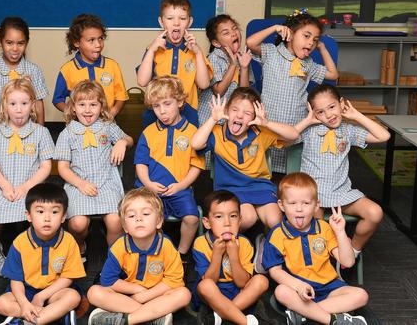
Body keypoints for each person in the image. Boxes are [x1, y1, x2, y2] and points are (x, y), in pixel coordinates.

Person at [295, 84, 388, 263]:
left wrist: (356, 115)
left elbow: (383, 136)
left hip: (341, 194)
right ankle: (322, 262)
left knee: (375, 212)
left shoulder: (349, 131)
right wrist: (307, 121)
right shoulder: (309, 131)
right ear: (313, 113)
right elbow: (283, 139)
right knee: (317, 226)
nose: (329, 115)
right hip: (315, 196)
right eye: (320, 112)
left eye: (332, 107)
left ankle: (352, 251)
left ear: (341, 103)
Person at [263, 172, 369, 325]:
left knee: (361, 295)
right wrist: (299, 286)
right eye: (292, 203)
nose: (299, 209)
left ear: (316, 205)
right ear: (281, 206)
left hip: (330, 288)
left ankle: (304, 314)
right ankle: (331, 320)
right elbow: (275, 271)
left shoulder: (324, 228)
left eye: (306, 203)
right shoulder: (277, 234)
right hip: (298, 289)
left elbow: (348, 261)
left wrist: (339, 232)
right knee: (281, 292)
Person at [191, 87, 299, 232]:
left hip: (261, 186)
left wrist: (266, 123)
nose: (240, 116)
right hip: (230, 189)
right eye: (235, 110)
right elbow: (195, 143)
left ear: (254, 117)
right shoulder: (217, 133)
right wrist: (213, 119)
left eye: (247, 113)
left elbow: (293, 135)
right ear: (227, 110)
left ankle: (266, 247)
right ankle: (233, 246)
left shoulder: (260, 132)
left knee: (275, 220)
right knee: (247, 218)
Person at [245, 9, 338, 174]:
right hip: (269, 123)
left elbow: (333, 74)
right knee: (265, 169)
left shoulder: (308, 64)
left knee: (293, 172)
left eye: (315, 40)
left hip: (296, 125)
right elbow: (251, 43)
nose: (311, 43)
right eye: (306, 36)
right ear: (291, 34)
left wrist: (322, 48)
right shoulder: (271, 52)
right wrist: (274, 27)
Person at [0, 79, 54, 275]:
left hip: (32, 188)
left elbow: (46, 166)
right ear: (4, 105)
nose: (18, 110)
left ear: (32, 105)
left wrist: (26, 187)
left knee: (41, 219)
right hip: (2, 187)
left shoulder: (41, 133)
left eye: (24, 103)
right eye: (13, 104)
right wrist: (5, 186)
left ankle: (35, 254)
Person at [87, 187, 191, 325]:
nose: (139, 219)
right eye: (131, 216)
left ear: (159, 221)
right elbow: (108, 280)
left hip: (156, 295)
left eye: (146, 214)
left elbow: (174, 281)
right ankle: (153, 317)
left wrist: (146, 295)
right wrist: (138, 290)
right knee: (94, 292)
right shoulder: (119, 247)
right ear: (124, 226)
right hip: (127, 297)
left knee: (184, 294)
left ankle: (127, 320)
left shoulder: (166, 246)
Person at [55, 81, 133, 265]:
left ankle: (114, 255)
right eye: (82, 105)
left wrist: (122, 142)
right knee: (78, 224)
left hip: (106, 183)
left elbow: (128, 139)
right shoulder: (67, 133)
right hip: (78, 184)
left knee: (115, 221)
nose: (88, 110)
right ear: (73, 108)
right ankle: (81, 244)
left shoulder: (107, 126)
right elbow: (62, 168)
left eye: (93, 104)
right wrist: (80, 183)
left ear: (101, 106)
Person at [134, 76, 204, 261]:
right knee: (146, 219)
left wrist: (181, 186)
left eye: (167, 104)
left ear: (180, 101)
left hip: (179, 189)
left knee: (192, 219)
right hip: (149, 190)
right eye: (157, 106)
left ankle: (181, 256)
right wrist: (148, 184)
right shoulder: (148, 132)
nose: (162, 111)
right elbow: (140, 163)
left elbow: (196, 166)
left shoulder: (193, 132)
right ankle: (153, 254)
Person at [0, 183, 85, 325]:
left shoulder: (69, 241)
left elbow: (68, 278)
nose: (47, 218)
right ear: (29, 215)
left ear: (63, 217)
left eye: (55, 212)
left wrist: (42, 296)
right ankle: (50, 316)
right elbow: (16, 281)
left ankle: (27, 321)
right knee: (1, 303)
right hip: (27, 290)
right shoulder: (20, 242)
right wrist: (24, 303)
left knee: (73, 297)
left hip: (54, 292)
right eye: (40, 212)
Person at [192, 190, 268, 325]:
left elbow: (242, 283)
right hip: (213, 294)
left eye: (233, 216)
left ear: (239, 221)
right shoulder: (200, 243)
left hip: (237, 292)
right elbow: (210, 280)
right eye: (219, 217)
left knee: (262, 281)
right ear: (207, 222)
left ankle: (223, 315)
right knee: (205, 286)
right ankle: (244, 321)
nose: (227, 222)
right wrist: (216, 255)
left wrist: (234, 255)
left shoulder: (244, 243)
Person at [136, 0, 213, 127]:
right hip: (157, 111)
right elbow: (142, 81)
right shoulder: (154, 50)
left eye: (182, 18)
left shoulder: (195, 51)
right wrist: (152, 50)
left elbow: (204, 84)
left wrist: (198, 53)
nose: (176, 23)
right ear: (161, 22)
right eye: (170, 18)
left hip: (187, 111)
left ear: (189, 22)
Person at [199, 14, 252, 170]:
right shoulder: (214, 58)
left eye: (235, 29)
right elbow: (218, 91)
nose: (234, 33)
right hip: (210, 117)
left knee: (223, 159)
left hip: (228, 118)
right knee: (207, 159)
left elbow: (244, 92)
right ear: (216, 42)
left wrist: (243, 67)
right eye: (226, 32)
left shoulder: (243, 58)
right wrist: (233, 65)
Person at [53, 14, 128, 118]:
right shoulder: (67, 69)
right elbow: (57, 100)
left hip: (107, 122)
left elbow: (121, 96)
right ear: (76, 42)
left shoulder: (113, 66)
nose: (98, 44)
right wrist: (74, 113)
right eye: (91, 40)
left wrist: (113, 112)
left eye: (100, 38)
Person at [0, 17, 49, 128]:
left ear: (26, 43)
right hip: (0, 132)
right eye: (9, 43)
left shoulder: (34, 70)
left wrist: (41, 131)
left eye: (20, 43)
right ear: (0, 42)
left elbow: (39, 103)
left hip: (29, 132)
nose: (15, 48)